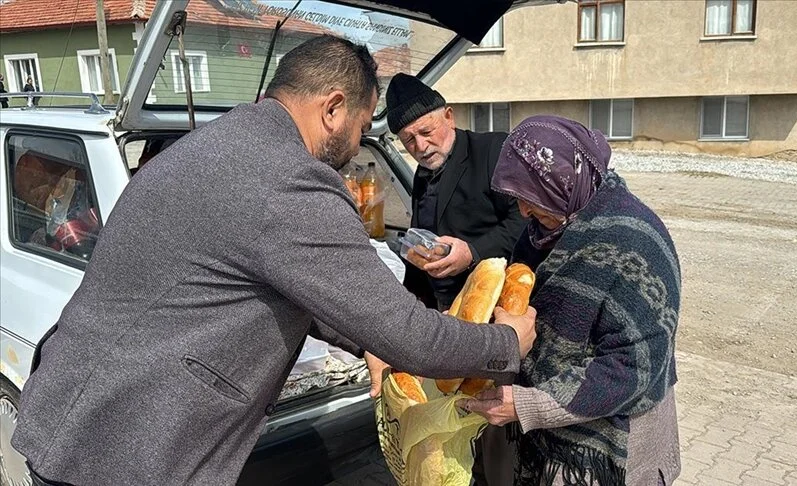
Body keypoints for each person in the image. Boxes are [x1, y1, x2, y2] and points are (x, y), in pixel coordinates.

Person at [11, 35, 537, 486]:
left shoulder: (214, 145)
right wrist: (507, 342)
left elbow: (278, 279)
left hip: (76, 417)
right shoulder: (288, 180)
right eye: (359, 128)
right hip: (133, 450)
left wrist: (364, 339)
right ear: (332, 108)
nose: (356, 148)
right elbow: (415, 338)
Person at [460, 116, 681, 486]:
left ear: (567, 180)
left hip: (610, 450)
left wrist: (530, 405)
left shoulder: (636, 243)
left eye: (532, 198)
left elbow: (636, 366)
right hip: (544, 440)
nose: (524, 212)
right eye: (518, 199)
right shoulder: (543, 230)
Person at [385, 73, 526, 311]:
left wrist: (473, 252)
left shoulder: (493, 150)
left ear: (449, 117)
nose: (420, 147)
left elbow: (525, 221)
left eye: (426, 132)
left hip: (493, 299)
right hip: (443, 305)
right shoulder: (423, 173)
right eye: (409, 140)